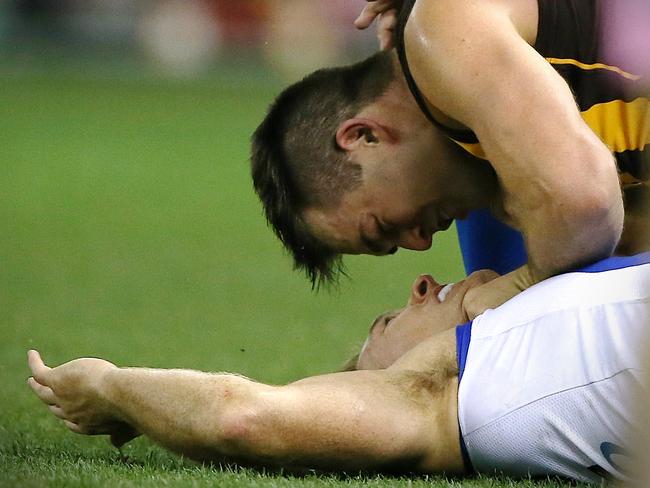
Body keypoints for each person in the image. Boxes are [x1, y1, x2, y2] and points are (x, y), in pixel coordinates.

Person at [27, 252, 650, 483]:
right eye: (387, 325)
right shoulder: (437, 397)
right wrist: (108, 387)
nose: (422, 285)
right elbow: (241, 417)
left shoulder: (571, 274)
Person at [251, 0, 649, 315]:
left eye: (383, 228)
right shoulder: (508, 171)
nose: (421, 243)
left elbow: (584, 205)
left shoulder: (438, 28)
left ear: (363, 137)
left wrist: (493, 300)